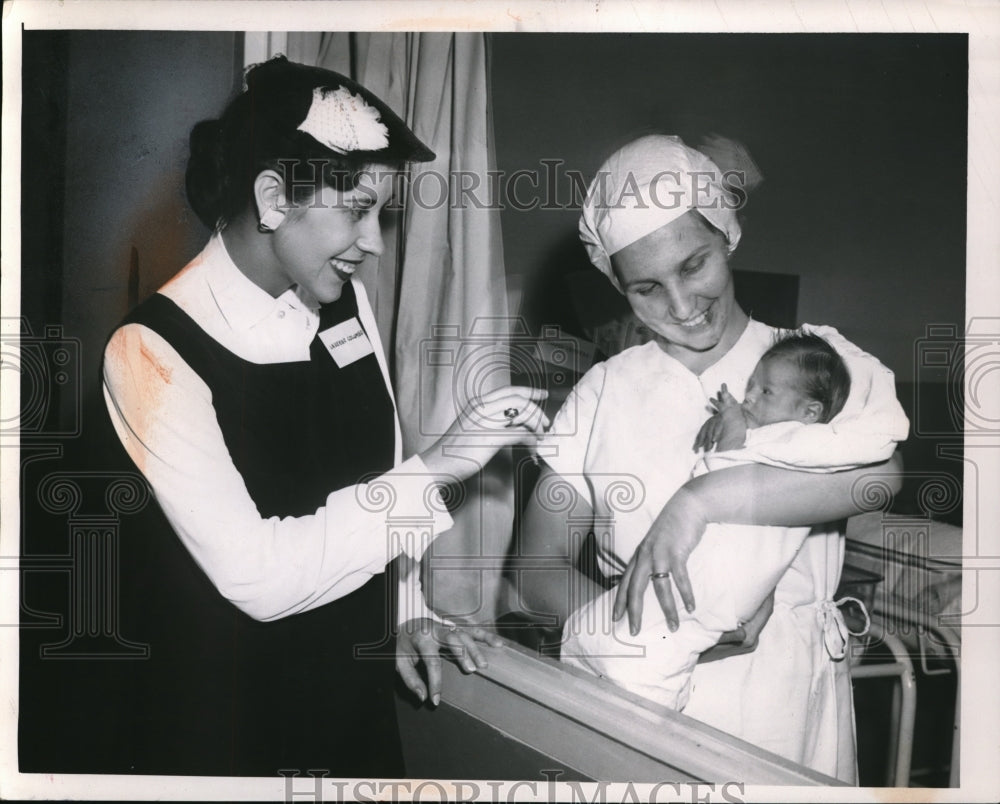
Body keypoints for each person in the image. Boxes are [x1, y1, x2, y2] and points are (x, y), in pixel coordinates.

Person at [101, 56, 547, 777]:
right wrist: (443, 465)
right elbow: (259, 576)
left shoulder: (344, 302)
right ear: (273, 198)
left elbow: (380, 466)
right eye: (358, 208)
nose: (374, 242)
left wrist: (401, 610)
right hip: (224, 725)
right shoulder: (148, 353)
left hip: (345, 703)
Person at [517, 134, 908, 782]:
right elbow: (536, 567)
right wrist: (647, 633)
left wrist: (702, 501)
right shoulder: (604, 390)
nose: (678, 306)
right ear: (617, 285)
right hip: (640, 695)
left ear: (726, 233)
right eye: (645, 287)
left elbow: (877, 480)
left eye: (693, 265)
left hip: (787, 694)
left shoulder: (815, 360)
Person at [560, 332, 878, 713]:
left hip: (775, 652)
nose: (750, 398)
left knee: (657, 650)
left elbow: (730, 463)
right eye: (751, 387)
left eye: (765, 393)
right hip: (692, 590)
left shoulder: (803, 437)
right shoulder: (608, 380)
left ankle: (639, 673)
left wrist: (724, 434)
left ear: (810, 412)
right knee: (646, 646)